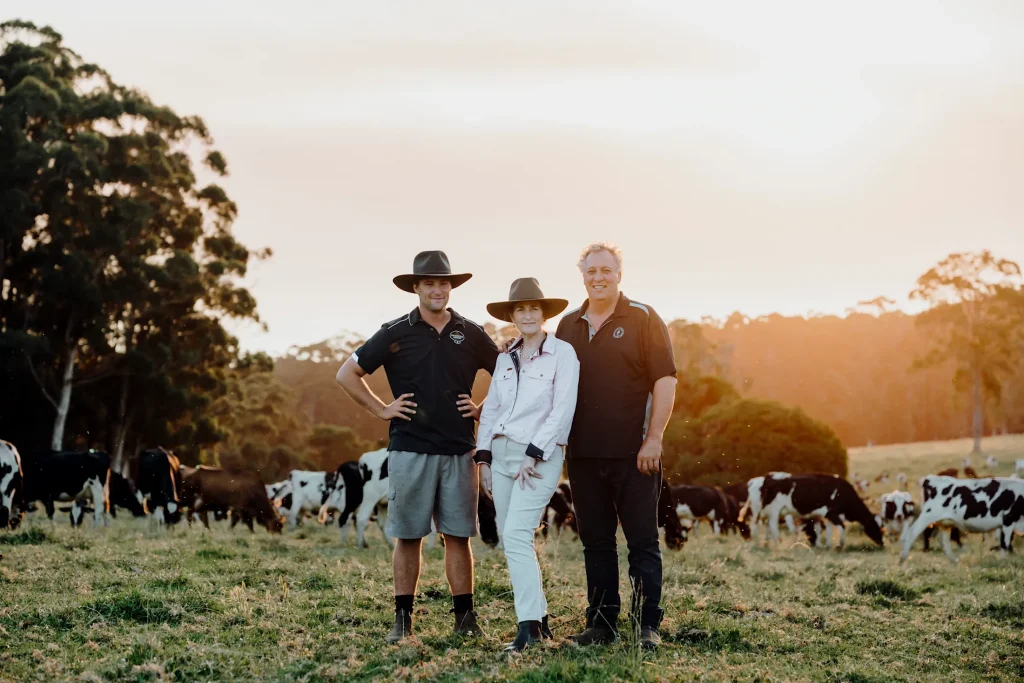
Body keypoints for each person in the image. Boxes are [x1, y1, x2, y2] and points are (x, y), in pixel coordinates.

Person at [335, 250, 499, 643]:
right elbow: (347, 373)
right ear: (416, 288)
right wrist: (382, 409)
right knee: (408, 536)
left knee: (458, 536)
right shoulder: (395, 331)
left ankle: (465, 620)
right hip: (409, 448)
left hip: (460, 448)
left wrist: (483, 409)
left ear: (451, 287)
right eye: (429, 283)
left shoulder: (471, 332)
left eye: (444, 283)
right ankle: (403, 621)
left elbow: (510, 374)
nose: (437, 290)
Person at [554, 242, 677, 650]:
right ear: (582, 277)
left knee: (643, 542)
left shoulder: (643, 317)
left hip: (635, 455)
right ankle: (602, 624)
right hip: (583, 456)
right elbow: (548, 376)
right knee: (596, 544)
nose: (599, 277)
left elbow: (665, 380)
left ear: (619, 274)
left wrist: (654, 439)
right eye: (591, 271)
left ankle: (647, 626)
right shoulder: (568, 325)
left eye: (606, 270)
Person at [475, 278, 580, 652]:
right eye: (520, 309)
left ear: (544, 313)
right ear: (513, 316)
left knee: (518, 534)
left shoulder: (563, 353)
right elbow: (492, 410)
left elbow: (562, 409)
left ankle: (529, 629)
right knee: (511, 537)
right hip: (501, 454)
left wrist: (533, 453)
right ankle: (540, 618)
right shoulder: (505, 357)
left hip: (538, 457)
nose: (528, 315)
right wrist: (483, 459)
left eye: (534, 308)